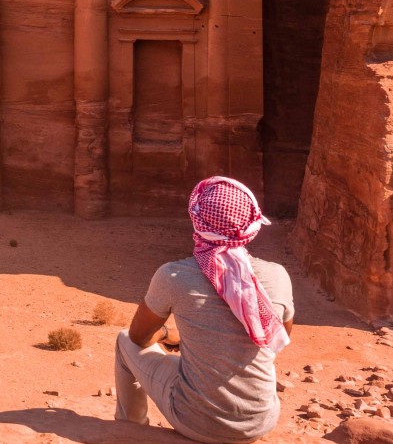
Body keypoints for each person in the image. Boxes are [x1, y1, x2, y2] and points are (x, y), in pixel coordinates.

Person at [114, 176, 294, 444]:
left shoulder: (174, 276)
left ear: (197, 220)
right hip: (260, 420)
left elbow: (139, 337)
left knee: (124, 341)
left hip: (196, 422)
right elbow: (278, 337)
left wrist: (165, 335)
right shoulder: (277, 276)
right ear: (252, 224)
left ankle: (131, 430)